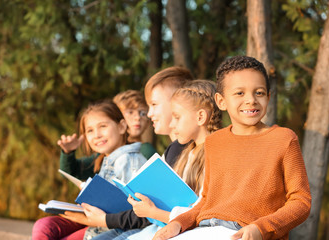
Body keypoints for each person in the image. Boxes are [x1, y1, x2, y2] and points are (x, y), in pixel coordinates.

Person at [153, 56, 312, 240]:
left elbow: (301, 202)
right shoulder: (214, 142)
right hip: (203, 229)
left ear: (268, 97)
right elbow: (206, 200)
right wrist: (178, 223)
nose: (251, 100)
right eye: (239, 93)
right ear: (221, 101)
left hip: (244, 233)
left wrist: (260, 229)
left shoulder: (284, 139)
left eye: (259, 93)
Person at [68, 66, 194, 240]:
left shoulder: (139, 155)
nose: (147, 115)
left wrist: (105, 219)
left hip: (146, 227)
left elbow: (149, 212)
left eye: (153, 106)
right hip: (131, 224)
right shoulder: (171, 150)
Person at [32, 100, 147, 240]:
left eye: (103, 126)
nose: (97, 135)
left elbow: (135, 211)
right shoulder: (105, 158)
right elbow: (71, 170)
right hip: (96, 222)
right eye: (90, 131)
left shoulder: (128, 160)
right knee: (45, 225)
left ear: (122, 126)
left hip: (112, 228)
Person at [122, 79, 222, 240]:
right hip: (169, 225)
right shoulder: (187, 153)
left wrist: (153, 212)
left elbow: (203, 213)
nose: (172, 124)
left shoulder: (216, 154)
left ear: (200, 116)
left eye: (177, 117)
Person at [113, 89, 157, 159]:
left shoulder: (146, 150)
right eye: (130, 112)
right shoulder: (107, 150)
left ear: (148, 122)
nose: (138, 117)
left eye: (142, 113)